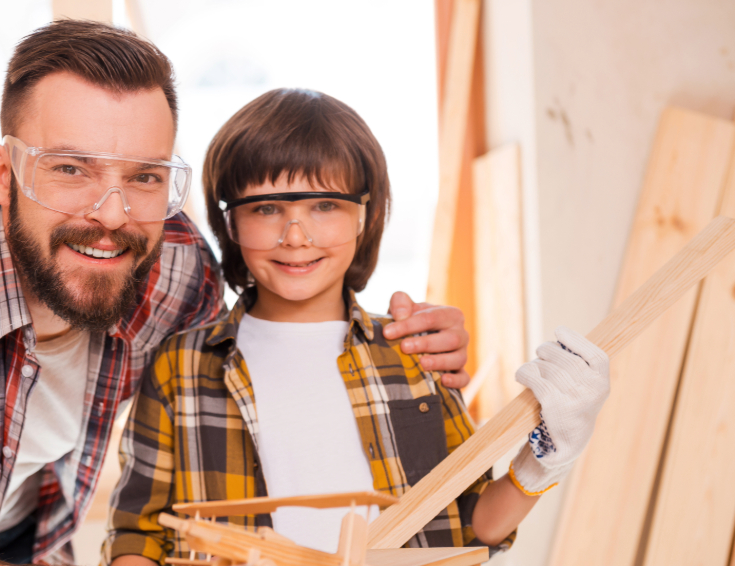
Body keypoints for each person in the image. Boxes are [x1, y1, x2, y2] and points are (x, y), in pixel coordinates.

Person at [0, 21, 474, 566]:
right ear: (4, 175)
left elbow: (280, 318)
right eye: (71, 169)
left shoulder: (175, 267)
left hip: (37, 538)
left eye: (143, 176)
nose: (111, 214)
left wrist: (411, 342)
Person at [104, 88, 610, 565]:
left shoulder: (414, 354)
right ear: (231, 223)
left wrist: (547, 455)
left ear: (365, 215)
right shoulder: (181, 366)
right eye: (266, 208)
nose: (295, 236)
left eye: (324, 205)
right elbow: (138, 534)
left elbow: (473, 523)